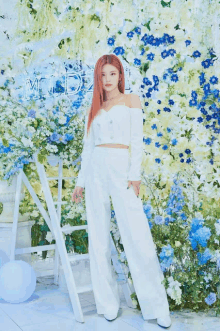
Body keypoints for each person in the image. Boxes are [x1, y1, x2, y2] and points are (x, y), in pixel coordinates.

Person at [72, 54, 172, 328]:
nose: (107, 80)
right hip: (95, 173)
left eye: (112, 74)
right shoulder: (94, 107)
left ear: (120, 75)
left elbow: (137, 142)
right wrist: (80, 181)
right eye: (102, 75)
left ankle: (156, 307)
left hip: (122, 171)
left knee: (137, 237)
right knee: (99, 240)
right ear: (98, 77)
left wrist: (135, 176)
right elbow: (88, 148)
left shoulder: (132, 100)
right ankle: (107, 304)